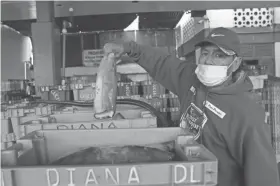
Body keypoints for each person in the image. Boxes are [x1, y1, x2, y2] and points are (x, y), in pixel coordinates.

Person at [104, 27, 279, 186]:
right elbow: (161, 63)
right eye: (205, 53)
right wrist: (128, 48)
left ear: (235, 63)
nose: (208, 61)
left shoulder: (247, 114)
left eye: (219, 55)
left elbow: (263, 174)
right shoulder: (191, 79)